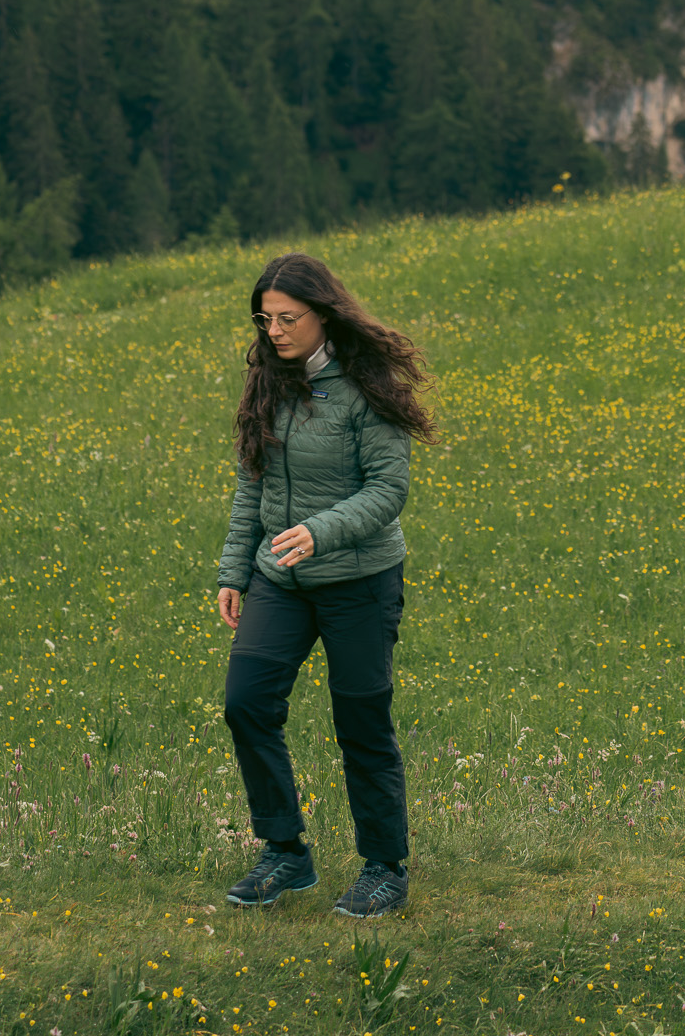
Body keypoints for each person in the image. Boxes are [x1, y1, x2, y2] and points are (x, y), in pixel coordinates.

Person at [216, 252, 434, 915]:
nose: (273, 331)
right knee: (246, 703)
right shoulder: (267, 380)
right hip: (280, 579)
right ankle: (285, 853)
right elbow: (250, 483)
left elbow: (389, 487)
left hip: (359, 581)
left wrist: (321, 530)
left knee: (360, 723)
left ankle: (384, 868)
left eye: (286, 319)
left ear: (322, 315)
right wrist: (234, 570)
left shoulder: (366, 386)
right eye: (264, 319)